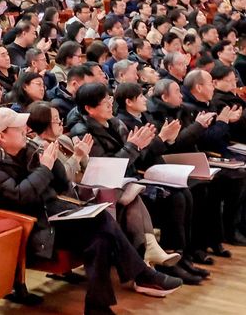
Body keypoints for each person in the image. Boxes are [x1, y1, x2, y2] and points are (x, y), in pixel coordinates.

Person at [0, 107, 182, 315]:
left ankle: (99, 305)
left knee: (100, 237)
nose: (25, 131)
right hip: (34, 227)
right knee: (102, 227)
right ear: (2, 136)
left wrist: (51, 160)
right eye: (18, 129)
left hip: (53, 215)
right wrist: (44, 168)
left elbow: (61, 185)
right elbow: (20, 197)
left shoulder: (27, 150)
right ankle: (139, 277)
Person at [27, 101, 182, 267]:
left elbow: (88, 168)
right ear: (43, 123)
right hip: (72, 197)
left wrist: (84, 155)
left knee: (132, 196)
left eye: (60, 118)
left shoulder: (64, 139)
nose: (60, 123)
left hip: (90, 186)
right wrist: (77, 157)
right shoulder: (38, 148)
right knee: (130, 194)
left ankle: (147, 251)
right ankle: (145, 253)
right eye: (56, 120)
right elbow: (62, 181)